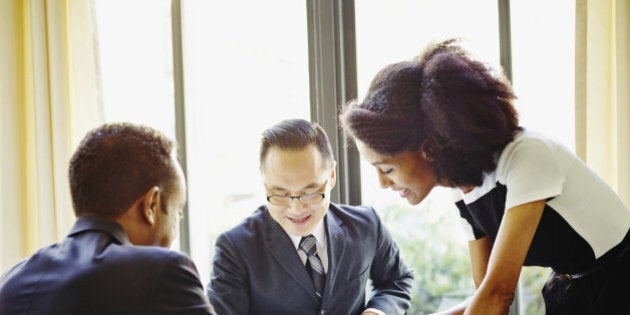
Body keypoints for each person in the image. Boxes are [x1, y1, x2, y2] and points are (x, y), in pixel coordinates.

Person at [340, 38, 630, 315]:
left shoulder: (526, 156)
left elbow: (498, 295)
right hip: (570, 290)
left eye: (387, 168)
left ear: (428, 147)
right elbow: (485, 295)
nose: (382, 182)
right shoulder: (464, 186)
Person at [0, 122, 216, 315]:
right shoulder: (164, 273)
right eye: (177, 213)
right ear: (151, 204)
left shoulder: (12, 282)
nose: (175, 230)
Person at [207, 118, 414, 315]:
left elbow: (397, 280)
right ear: (264, 184)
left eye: (310, 192)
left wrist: (377, 311)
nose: (296, 208)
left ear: (331, 175)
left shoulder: (367, 225)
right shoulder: (234, 248)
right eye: (281, 194)